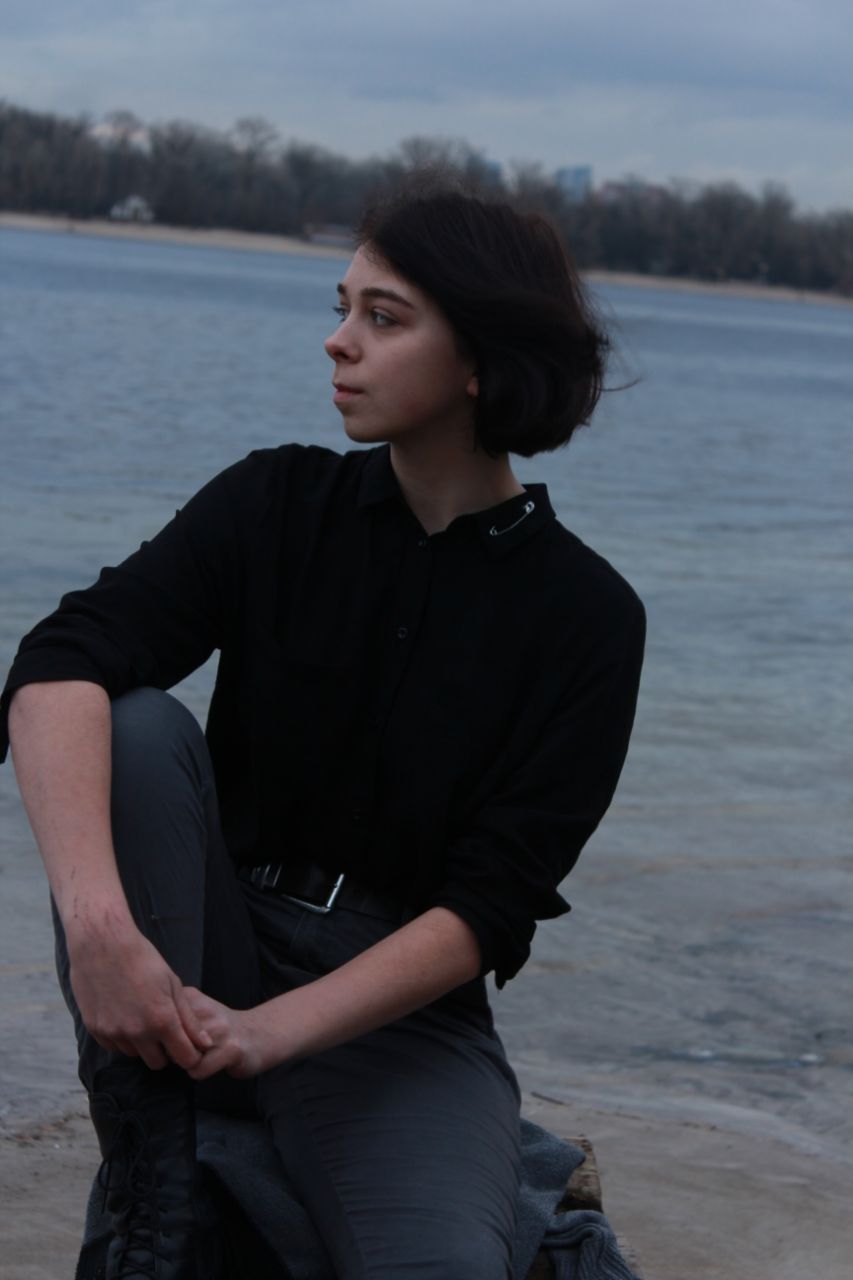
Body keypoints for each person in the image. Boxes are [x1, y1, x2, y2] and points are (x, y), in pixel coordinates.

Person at [1, 185, 645, 1279]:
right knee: (137, 726)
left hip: (397, 1013)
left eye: (382, 318)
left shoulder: (588, 617)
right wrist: (100, 928)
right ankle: (152, 1182)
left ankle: (529, 1206)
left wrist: (270, 1033)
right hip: (203, 934)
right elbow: (58, 662)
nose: (338, 340)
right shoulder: (275, 502)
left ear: (480, 360)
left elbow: (490, 904)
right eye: (342, 307)